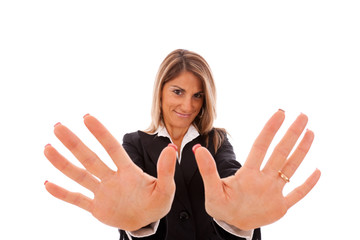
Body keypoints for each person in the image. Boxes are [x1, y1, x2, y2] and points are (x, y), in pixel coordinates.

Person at [44, 49, 321, 240]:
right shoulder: (135, 143)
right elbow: (129, 204)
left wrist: (239, 220)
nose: (188, 105)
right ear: (160, 91)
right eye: (178, 91)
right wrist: (138, 225)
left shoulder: (216, 140)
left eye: (198, 95)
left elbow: (231, 175)